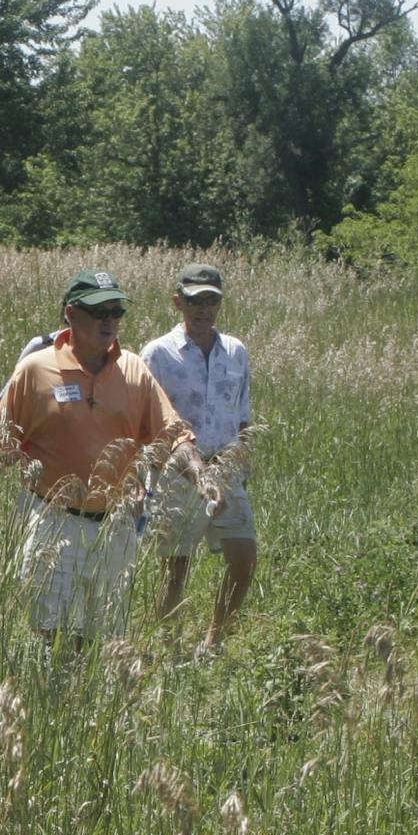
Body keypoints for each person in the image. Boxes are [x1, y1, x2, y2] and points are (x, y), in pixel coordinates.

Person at [0, 268, 201, 645]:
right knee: (51, 640)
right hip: (54, 522)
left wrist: (203, 479)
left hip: (116, 528)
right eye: (99, 311)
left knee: (103, 641)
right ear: (71, 314)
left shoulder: (133, 369)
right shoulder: (35, 371)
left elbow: (174, 436)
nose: (110, 320)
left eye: (117, 311)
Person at [141, 262, 257, 651]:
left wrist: (241, 463)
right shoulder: (158, 353)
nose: (203, 309)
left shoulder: (236, 351)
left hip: (226, 470)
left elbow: (242, 414)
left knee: (244, 559)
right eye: (194, 301)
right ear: (177, 302)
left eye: (211, 301)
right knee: (175, 570)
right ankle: (168, 651)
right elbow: (146, 416)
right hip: (176, 473)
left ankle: (214, 643)